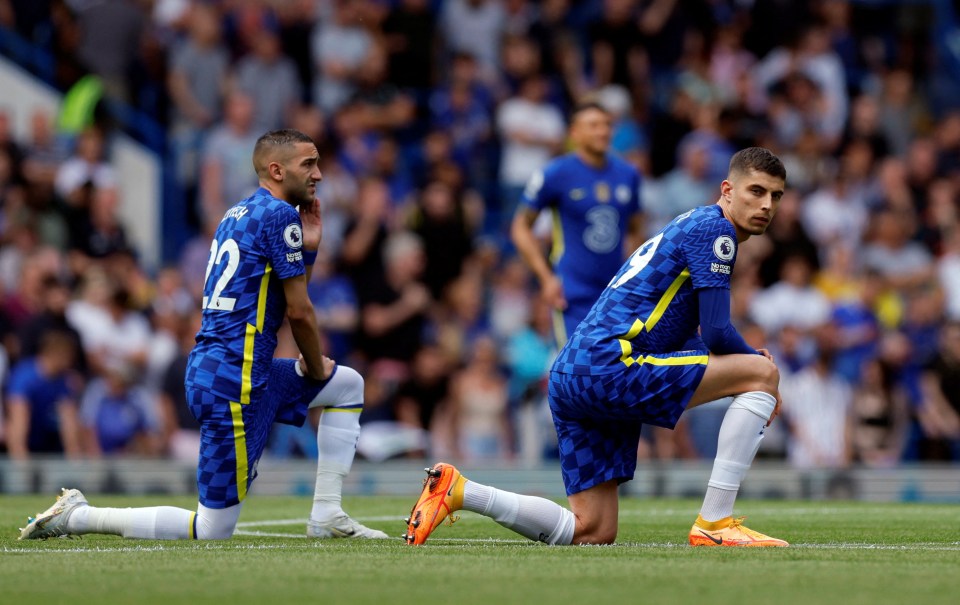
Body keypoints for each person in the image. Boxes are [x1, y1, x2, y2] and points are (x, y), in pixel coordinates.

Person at [405, 147, 789, 547]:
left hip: (573, 373)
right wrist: (757, 369)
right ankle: (715, 524)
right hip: (611, 365)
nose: (766, 205)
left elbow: (685, 333)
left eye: (775, 196)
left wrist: (747, 374)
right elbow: (716, 332)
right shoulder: (717, 230)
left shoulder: (689, 225)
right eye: (756, 191)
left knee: (593, 530)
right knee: (763, 374)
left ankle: (459, 491)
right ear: (727, 190)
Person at [20, 129, 388, 541]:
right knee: (212, 529)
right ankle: (78, 516)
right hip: (234, 379)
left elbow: (282, 302)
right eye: (309, 164)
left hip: (240, 368)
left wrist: (311, 249)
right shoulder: (280, 215)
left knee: (347, 385)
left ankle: (327, 516)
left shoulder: (238, 213)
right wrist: (316, 365)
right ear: (276, 169)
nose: (319, 174)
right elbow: (300, 312)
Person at [511, 101, 644, 346]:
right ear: (575, 133)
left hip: (616, 294)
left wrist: (631, 273)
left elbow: (636, 228)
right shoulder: (555, 174)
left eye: (606, 125)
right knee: (578, 371)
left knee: (617, 373)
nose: (602, 131)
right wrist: (545, 277)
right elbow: (520, 227)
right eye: (593, 125)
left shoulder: (629, 175)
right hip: (572, 293)